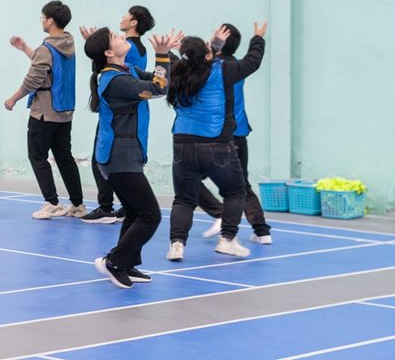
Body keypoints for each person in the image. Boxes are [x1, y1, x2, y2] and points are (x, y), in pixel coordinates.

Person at [83, 27, 177, 288]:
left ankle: (127, 263)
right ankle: (114, 262)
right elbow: (157, 88)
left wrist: (168, 53)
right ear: (108, 52)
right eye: (115, 37)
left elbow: (163, 81)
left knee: (135, 213)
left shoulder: (128, 71)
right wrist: (161, 55)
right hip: (118, 158)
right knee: (150, 215)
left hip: (127, 155)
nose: (122, 36)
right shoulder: (115, 81)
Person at [165, 23, 267, 262]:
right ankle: (227, 239)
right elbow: (253, 61)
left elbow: (182, 58)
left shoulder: (177, 70)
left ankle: (177, 245)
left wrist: (165, 50)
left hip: (182, 144)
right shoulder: (224, 69)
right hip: (216, 145)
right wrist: (258, 38)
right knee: (236, 191)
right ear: (209, 55)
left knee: (183, 199)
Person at [5, 0, 86, 220]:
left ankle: (52, 203)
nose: (41, 21)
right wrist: (25, 48)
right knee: (64, 157)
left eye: (42, 17)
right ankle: (77, 204)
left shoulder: (46, 48)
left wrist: (13, 98)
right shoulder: (68, 43)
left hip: (44, 112)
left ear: (50, 20)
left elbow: (34, 79)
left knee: (37, 155)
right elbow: (48, 65)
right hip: (64, 111)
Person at [193, 23, 272, 245]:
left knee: (189, 179)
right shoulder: (238, 67)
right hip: (239, 134)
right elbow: (254, 58)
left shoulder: (212, 69)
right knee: (242, 184)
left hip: (216, 136)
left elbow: (193, 63)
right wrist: (258, 37)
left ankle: (219, 213)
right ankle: (262, 231)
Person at [80, 5, 155, 224]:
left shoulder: (127, 51)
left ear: (134, 22)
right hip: (127, 106)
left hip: (119, 111)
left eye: (126, 15)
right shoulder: (140, 48)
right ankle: (124, 207)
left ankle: (106, 207)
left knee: (104, 159)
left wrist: (96, 48)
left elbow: (154, 86)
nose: (122, 18)